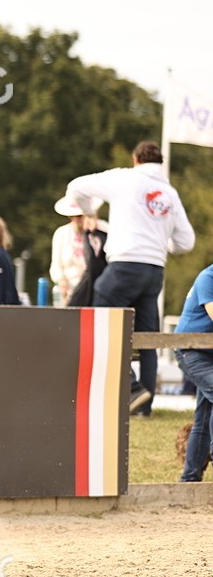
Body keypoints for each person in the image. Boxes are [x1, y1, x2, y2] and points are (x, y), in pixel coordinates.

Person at [67, 141, 195, 415]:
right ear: (160, 163)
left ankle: (132, 387)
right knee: (148, 338)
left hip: (125, 265)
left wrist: (89, 211)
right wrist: (160, 244)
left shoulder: (124, 178)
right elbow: (186, 241)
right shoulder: (170, 194)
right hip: (154, 271)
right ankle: (144, 407)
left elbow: (76, 186)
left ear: (135, 159)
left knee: (100, 319)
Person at [175, 264, 213, 482]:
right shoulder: (208, 278)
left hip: (210, 353)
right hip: (191, 351)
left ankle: (189, 479)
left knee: (203, 417)